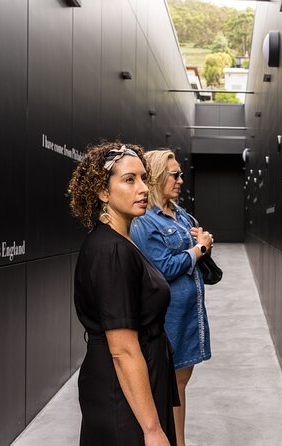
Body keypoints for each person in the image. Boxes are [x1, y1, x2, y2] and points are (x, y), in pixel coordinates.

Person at [67, 142, 179, 446]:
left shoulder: (118, 241)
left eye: (144, 178)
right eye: (129, 180)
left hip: (131, 383)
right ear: (103, 192)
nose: (142, 188)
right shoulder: (112, 251)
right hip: (122, 392)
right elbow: (123, 349)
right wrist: (153, 429)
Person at [130, 149, 213, 446]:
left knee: (178, 385)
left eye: (180, 174)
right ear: (157, 178)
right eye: (174, 175)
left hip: (188, 316)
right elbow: (162, 267)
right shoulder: (144, 221)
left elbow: (191, 250)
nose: (181, 180)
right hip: (168, 318)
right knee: (168, 388)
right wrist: (199, 248)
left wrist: (202, 241)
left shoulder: (179, 213)